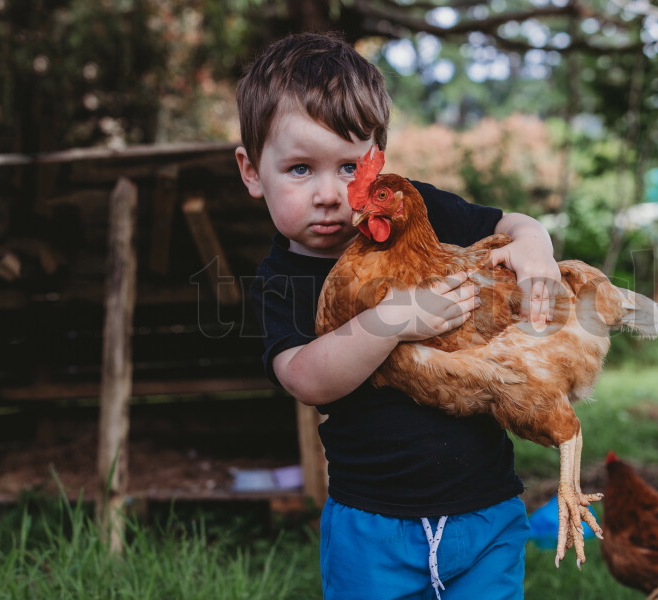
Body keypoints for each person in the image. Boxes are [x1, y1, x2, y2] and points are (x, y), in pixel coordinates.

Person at [236, 32, 561, 600]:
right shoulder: (280, 280)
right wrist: (393, 320)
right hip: (373, 527)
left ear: (377, 161)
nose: (330, 194)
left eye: (348, 167)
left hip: (486, 509)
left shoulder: (417, 210)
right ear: (251, 171)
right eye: (299, 170)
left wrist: (535, 243)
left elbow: (512, 221)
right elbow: (306, 378)